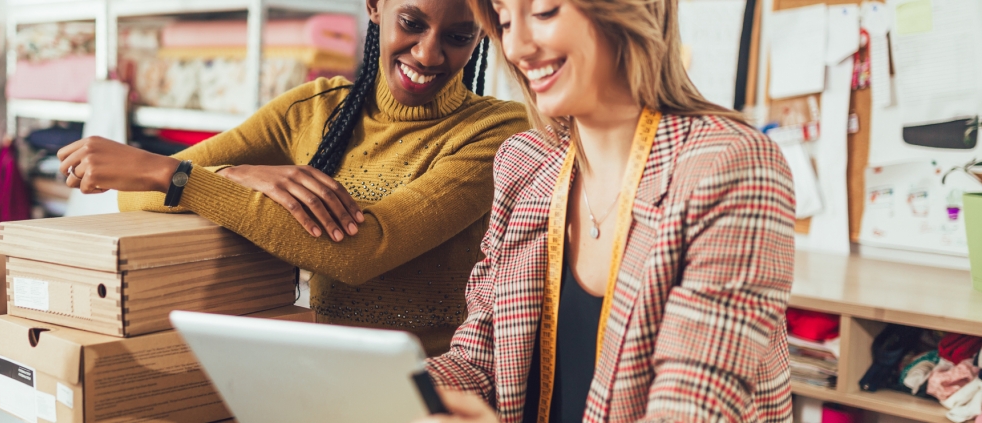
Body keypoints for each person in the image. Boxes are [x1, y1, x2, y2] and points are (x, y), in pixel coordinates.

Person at [55, 0, 529, 356]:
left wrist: (177, 176)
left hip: (432, 384)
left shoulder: (498, 131)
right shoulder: (314, 108)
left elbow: (365, 249)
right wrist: (237, 176)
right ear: (375, 7)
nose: (429, 54)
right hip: (314, 367)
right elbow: (136, 195)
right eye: (412, 23)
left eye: (459, 36)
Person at [416, 0, 795, 421]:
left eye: (543, 11)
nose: (516, 47)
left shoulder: (731, 166)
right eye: (505, 20)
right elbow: (479, 361)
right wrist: (394, 392)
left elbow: (688, 409)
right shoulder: (524, 163)